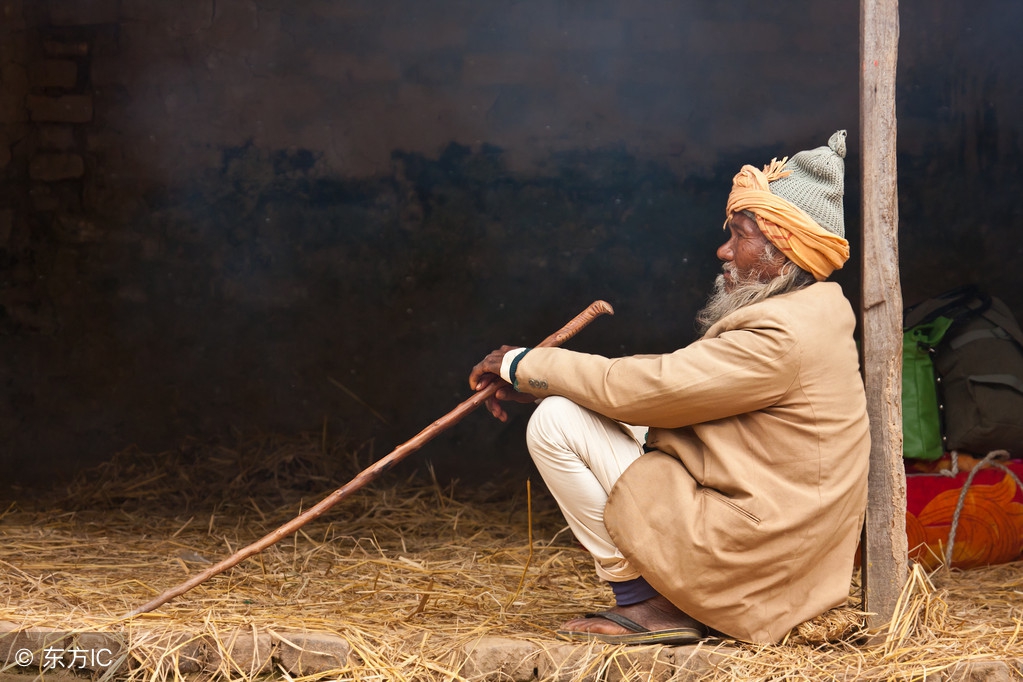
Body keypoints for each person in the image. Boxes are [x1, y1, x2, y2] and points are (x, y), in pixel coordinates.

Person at [468, 131, 870, 645]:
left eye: (740, 234)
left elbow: (652, 388)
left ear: (783, 250)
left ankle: (647, 604)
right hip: (772, 547)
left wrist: (524, 364)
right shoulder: (814, 315)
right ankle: (659, 599)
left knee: (558, 423)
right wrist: (549, 380)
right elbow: (682, 379)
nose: (723, 250)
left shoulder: (784, 334)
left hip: (753, 557)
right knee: (580, 405)